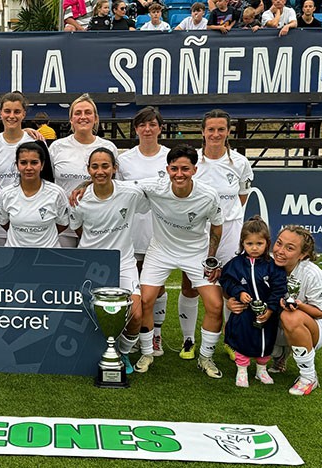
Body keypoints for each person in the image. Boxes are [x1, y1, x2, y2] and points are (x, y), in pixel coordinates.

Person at [162, 109, 254, 362]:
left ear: (228, 132)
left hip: (230, 231)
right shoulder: (193, 162)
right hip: (198, 231)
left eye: (221, 129)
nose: (215, 134)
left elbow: (241, 196)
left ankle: (228, 339)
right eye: (210, 129)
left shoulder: (240, 162)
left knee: (228, 287)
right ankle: (188, 340)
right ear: (202, 131)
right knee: (190, 285)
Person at [133, 144, 224, 379]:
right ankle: (147, 352)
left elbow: (216, 225)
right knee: (145, 300)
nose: (179, 174)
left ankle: (206, 357)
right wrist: (83, 186)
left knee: (215, 305)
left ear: (194, 169)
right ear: (167, 169)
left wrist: (210, 258)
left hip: (196, 253)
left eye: (185, 168)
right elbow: (117, 187)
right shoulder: (154, 186)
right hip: (160, 250)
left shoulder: (208, 195)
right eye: (174, 169)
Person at [70, 147, 149, 374]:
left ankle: (121, 353)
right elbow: (78, 229)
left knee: (135, 314)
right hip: (90, 261)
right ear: (88, 170)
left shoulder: (130, 193)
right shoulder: (80, 199)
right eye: (95, 166)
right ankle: (85, 353)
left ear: (115, 168)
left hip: (123, 261)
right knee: (82, 317)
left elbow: (152, 196)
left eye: (105, 166)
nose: (100, 171)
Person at [229, 226, 322, 395]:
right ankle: (280, 355)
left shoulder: (313, 274)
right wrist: (232, 301)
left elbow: (320, 312)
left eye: (289, 248)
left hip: (312, 327)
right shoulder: (264, 263)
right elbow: (240, 284)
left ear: (303, 255)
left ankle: (308, 377)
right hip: (274, 324)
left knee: (290, 317)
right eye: (279, 243)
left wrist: (298, 305)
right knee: (241, 319)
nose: (280, 251)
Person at [116, 106, 169, 356]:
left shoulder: (169, 157)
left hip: (160, 231)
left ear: (160, 127)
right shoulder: (124, 160)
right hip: (131, 230)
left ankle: (156, 335)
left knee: (157, 286)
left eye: (152, 124)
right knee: (136, 286)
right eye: (142, 125)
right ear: (136, 129)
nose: (147, 129)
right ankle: (133, 332)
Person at [220, 216, 287, 387]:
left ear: (267, 243)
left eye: (259, 243)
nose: (254, 248)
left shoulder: (273, 266)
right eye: (249, 244)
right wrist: (239, 292)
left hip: (266, 314)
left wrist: (271, 309)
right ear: (242, 243)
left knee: (265, 341)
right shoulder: (235, 264)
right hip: (243, 312)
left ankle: (261, 370)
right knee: (242, 339)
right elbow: (226, 281)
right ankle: (241, 371)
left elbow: (279, 289)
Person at [50, 93, 118, 247]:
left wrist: (86, 185)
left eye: (88, 112)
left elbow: (115, 186)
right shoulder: (56, 147)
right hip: (63, 223)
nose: (83, 117)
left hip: (96, 222)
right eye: (78, 113)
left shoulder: (108, 147)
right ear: (71, 119)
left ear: (95, 118)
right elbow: (48, 184)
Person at [0, 92, 38, 246]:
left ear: (24, 114)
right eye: (7, 111)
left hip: (29, 218)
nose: (12, 116)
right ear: (0, 113)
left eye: (17, 111)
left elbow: (44, 180)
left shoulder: (36, 143)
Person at [0, 142, 69, 248]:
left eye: (34, 163)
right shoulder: (6, 194)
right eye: (23, 162)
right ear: (17, 165)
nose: (29, 167)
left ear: (42, 165)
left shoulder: (56, 193)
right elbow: (4, 222)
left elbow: (62, 224)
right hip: (15, 255)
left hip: (47, 254)